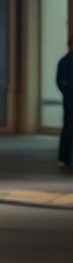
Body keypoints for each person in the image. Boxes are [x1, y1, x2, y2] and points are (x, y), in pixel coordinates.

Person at [55, 37, 73, 168]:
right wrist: (67, 91)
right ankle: (64, 155)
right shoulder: (64, 62)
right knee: (68, 127)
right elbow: (60, 81)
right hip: (70, 99)